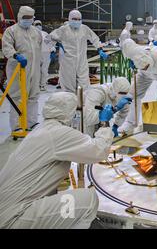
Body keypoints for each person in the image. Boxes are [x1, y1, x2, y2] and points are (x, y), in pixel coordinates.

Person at [0, 92, 115, 229]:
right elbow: (99, 151)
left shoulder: (40, 129)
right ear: (69, 112)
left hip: (7, 209)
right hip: (15, 218)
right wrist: (104, 123)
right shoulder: (58, 133)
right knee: (89, 199)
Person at [118, 38, 157, 135]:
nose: (145, 67)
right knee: (134, 94)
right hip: (145, 75)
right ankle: (130, 123)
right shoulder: (136, 55)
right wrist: (136, 66)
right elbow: (137, 61)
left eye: (146, 66)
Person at [1, 6, 42, 132]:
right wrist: (15, 55)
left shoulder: (36, 31)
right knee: (17, 96)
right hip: (17, 68)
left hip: (34, 68)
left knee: (33, 95)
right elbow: (6, 46)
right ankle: (17, 125)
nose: (28, 20)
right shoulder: (11, 31)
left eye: (30, 18)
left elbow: (38, 47)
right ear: (20, 16)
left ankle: (31, 122)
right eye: (25, 17)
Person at [48, 10, 108, 93]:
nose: (77, 21)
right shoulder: (63, 29)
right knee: (68, 88)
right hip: (68, 62)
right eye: (74, 19)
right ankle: (71, 104)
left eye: (79, 19)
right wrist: (54, 48)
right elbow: (49, 38)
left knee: (84, 87)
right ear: (69, 19)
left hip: (82, 62)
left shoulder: (85, 29)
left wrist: (100, 50)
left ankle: (82, 104)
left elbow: (95, 39)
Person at [34, 20, 56, 91]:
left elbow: (50, 43)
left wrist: (52, 49)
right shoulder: (31, 34)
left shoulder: (45, 33)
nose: (38, 26)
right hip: (36, 54)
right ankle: (36, 85)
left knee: (44, 70)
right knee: (36, 70)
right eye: (36, 24)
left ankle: (42, 85)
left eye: (39, 24)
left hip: (46, 53)